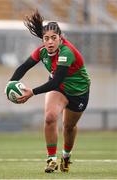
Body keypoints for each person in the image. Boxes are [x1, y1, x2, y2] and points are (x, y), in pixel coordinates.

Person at [5, 10, 91, 173]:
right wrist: (10, 83)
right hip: (58, 89)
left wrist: (32, 92)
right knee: (50, 117)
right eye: (46, 38)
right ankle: (51, 160)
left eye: (54, 38)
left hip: (78, 92)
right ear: (42, 40)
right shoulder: (42, 51)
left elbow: (57, 80)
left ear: (60, 38)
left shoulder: (66, 52)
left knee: (68, 126)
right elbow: (24, 67)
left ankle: (66, 157)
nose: (50, 42)